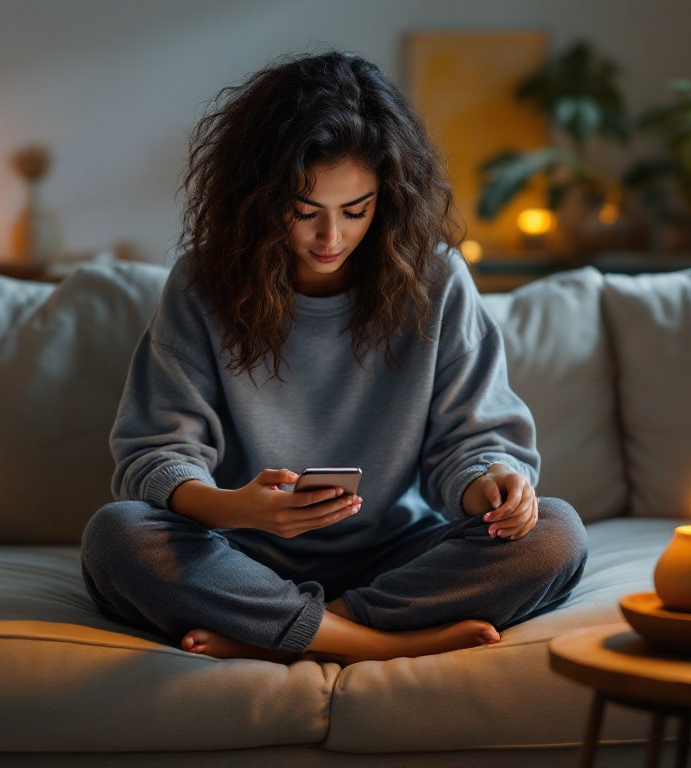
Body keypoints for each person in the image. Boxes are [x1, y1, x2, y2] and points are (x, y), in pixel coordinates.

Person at [80, 51, 587, 664]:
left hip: (397, 557)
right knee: (117, 536)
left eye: (355, 210)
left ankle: (291, 633)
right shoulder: (202, 284)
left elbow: (470, 445)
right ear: (261, 198)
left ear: (387, 199)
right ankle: (379, 643)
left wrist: (497, 488)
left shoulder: (438, 281)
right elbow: (157, 453)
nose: (331, 238)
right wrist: (235, 507)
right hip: (242, 552)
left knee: (554, 534)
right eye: (305, 211)